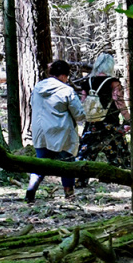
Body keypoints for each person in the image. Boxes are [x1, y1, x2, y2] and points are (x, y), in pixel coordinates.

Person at [26, 59, 84, 204]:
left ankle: (31, 190)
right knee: (67, 164)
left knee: (40, 164)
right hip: (61, 133)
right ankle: (69, 194)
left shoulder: (38, 88)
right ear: (64, 75)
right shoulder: (66, 90)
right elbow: (79, 114)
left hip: (40, 133)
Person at [74, 52, 131, 187]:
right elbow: (119, 102)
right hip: (110, 124)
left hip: (92, 124)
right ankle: (122, 180)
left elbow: (83, 103)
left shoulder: (87, 82)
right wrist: (128, 119)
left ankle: (79, 181)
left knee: (85, 154)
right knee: (119, 154)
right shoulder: (113, 83)